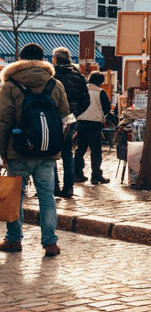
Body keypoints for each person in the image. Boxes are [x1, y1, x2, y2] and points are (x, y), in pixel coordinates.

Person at [0, 43, 70, 256]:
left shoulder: (10, 85)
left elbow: (3, 121)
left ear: (20, 60)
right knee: (47, 196)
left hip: (17, 151)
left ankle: (14, 239)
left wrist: (3, 152)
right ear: (44, 60)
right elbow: (67, 119)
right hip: (48, 153)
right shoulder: (55, 84)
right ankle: (50, 242)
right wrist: (56, 144)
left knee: (15, 197)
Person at [50, 47, 89, 199]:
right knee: (67, 152)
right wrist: (75, 114)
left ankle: (54, 186)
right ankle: (68, 188)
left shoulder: (52, 74)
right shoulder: (78, 76)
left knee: (51, 153)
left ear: (55, 59)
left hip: (52, 117)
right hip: (70, 117)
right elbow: (86, 100)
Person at [74, 72, 111, 184]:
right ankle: (95, 175)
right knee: (95, 150)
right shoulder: (100, 92)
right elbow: (107, 108)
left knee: (80, 149)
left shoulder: (82, 90)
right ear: (101, 81)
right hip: (95, 124)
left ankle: (77, 174)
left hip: (81, 122)